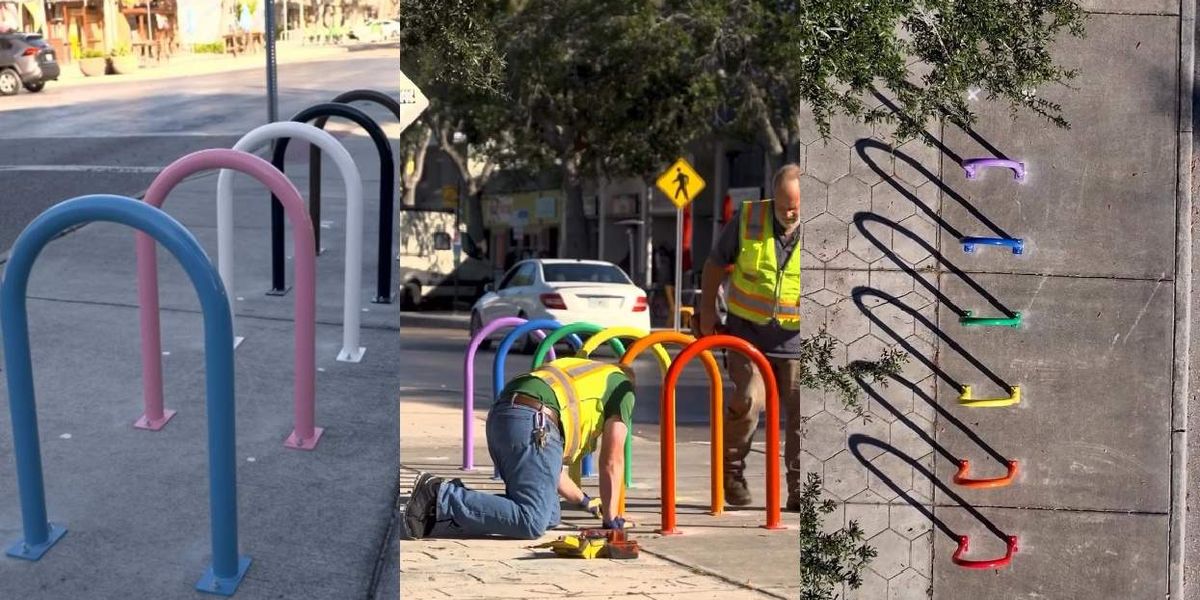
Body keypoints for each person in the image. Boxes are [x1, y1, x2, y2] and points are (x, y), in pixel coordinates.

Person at [404, 357, 636, 539]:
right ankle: (440, 495)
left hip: (505, 415)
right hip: (535, 421)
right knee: (532, 521)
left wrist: (584, 501)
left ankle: (438, 512)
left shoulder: (588, 375)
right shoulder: (623, 387)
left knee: (549, 514)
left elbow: (549, 468)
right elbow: (612, 460)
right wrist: (611, 519)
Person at [697, 163, 807, 511]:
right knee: (749, 399)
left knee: (803, 414)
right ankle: (731, 472)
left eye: (796, 207)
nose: (790, 213)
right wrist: (707, 311)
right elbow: (715, 264)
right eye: (784, 205)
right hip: (747, 336)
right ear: (773, 197)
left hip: (795, 342)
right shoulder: (749, 219)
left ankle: (800, 488)